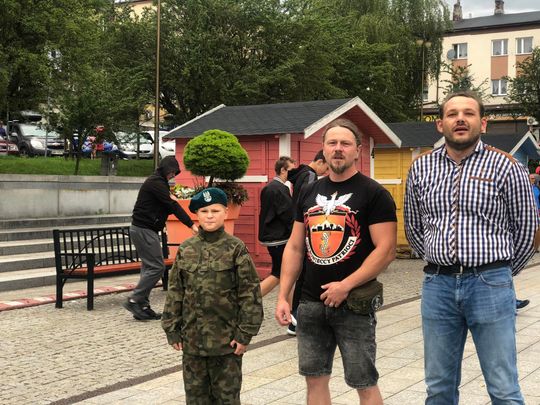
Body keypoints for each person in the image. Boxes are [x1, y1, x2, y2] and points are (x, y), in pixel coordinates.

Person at [404, 91, 539, 404]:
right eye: (452, 114)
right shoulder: (421, 168)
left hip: (490, 284)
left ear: (484, 123)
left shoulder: (506, 167)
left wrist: (500, 272)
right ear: (440, 124)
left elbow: (526, 228)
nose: (460, 119)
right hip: (437, 285)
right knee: (438, 386)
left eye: (469, 113)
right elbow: (414, 227)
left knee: (503, 387)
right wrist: (438, 261)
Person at [275, 118, 397, 405]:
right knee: (314, 380)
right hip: (310, 304)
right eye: (332, 143)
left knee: (364, 382)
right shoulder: (308, 191)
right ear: (323, 149)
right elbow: (295, 246)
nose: (338, 148)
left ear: (357, 151)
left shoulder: (374, 193)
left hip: (354, 304)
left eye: (345, 143)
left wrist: (346, 285)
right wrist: (283, 296)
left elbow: (386, 250)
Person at [162, 187, 263, 404]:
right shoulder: (186, 249)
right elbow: (176, 291)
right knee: (195, 399)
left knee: (227, 400)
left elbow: (250, 293)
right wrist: (171, 328)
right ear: (196, 215)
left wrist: (245, 334)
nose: (209, 216)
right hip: (192, 343)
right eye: (204, 211)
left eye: (215, 211)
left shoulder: (235, 248)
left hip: (226, 344)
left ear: (225, 213)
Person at [123, 156, 198, 321]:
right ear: (164, 169)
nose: (172, 175)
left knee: (148, 268)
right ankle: (134, 300)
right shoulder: (155, 183)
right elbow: (172, 206)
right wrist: (191, 224)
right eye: (171, 172)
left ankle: (142, 306)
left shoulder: (159, 183)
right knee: (157, 267)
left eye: (175, 173)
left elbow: (167, 206)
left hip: (144, 229)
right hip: (144, 229)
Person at [286, 149, 329, 335]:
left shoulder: (300, 174)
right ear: (320, 161)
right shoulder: (310, 176)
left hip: (296, 226)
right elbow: (309, 205)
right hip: (305, 229)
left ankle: (296, 318)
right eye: (326, 168)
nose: (326, 172)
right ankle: (297, 319)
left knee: (302, 276)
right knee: (305, 276)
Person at [258, 156, 296, 299]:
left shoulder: (270, 187)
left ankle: (290, 308)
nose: (294, 173)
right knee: (279, 274)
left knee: (286, 274)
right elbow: (288, 215)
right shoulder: (279, 189)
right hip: (279, 238)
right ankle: (249, 300)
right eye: (291, 170)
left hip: (272, 237)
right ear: (283, 170)